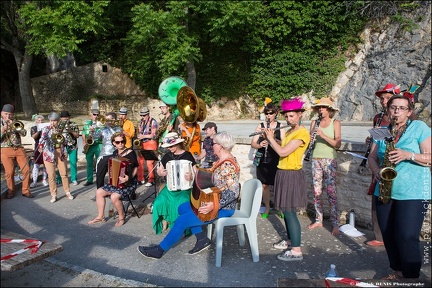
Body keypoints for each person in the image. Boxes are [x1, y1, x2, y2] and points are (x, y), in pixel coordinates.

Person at [137, 131, 240, 259]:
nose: (212, 146)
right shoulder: (220, 161)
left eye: (213, 144)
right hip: (213, 202)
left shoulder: (228, 165)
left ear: (221, 146)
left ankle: (159, 250)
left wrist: (213, 205)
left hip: (223, 208)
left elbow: (233, 193)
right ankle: (202, 239)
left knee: (182, 220)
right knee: (182, 208)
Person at [368, 93, 430, 279]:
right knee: (388, 235)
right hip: (385, 189)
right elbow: (371, 157)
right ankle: (398, 271)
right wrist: (377, 170)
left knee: (406, 235)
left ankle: (411, 277)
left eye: (402, 108)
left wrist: (408, 155)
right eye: (393, 107)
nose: (397, 111)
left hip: (413, 191)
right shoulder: (381, 130)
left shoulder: (419, 127)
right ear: (388, 109)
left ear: (409, 111)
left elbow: (430, 157)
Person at [365, 83, 417, 247]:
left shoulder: (412, 121)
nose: (384, 102)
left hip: (404, 175)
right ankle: (380, 235)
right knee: (378, 199)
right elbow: (375, 147)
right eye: (382, 99)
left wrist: (407, 154)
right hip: (382, 166)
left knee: (403, 228)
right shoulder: (379, 118)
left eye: (387, 98)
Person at [264, 97, 310, 261]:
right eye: (287, 116)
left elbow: (283, 153)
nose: (289, 119)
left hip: (292, 173)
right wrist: (271, 137)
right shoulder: (291, 131)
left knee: (290, 212)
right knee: (285, 210)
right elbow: (283, 147)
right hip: (283, 171)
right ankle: (291, 241)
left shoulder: (302, 132)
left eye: (292, 116)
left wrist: (270, 139)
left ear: (299, 115)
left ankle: (296, 251)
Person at [88, 132, 139, 227]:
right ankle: (100, 216)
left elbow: (136, 168)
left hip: (129, 182)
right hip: (116, 182)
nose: (121, 144)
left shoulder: (130, 153)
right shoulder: (115, 153)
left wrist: (129, 178)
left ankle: (121, 217)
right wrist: (112, 176)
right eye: (118, 142)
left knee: (114, 197)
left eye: (122, 141)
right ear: (114, 143)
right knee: (99, 192)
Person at [306, 97, 341, 236]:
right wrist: (311, 137)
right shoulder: (314, 122)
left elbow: (337, 144)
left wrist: (323, 135)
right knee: (316, 191)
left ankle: (335, 223)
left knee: (331, 192)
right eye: (319, 107)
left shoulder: (335, 122)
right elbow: (310, 143)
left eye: (324, 107)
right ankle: (318, 219)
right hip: (316, 159)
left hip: (330, 159)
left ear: (330, 110)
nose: (321, 109)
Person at [151, 132, 196, 234]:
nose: (169, 148)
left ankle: (181, 226)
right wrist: (161, 172)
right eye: (168, 146)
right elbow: (159, 169)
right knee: (158, 202)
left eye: (171, 146)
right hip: (170, 187)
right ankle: (165, 219)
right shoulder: (167, 156)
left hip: (185, 189)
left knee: (182, 202)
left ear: (178, 144)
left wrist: (191, 176)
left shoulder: (187, 155)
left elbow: (195, 172)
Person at [251, 103, 286, 218]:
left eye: (271, 113)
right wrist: (260, 144)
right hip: (262, 158)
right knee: (264, 185)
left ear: (275, 114)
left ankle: (279, 207)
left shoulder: (280, 126)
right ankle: (267, 206)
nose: (268, 115)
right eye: (266, 113)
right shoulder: (260, 126)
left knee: (278, 184)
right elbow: (253, 144)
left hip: (275, 158)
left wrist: (272, 138)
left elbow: (284, 144)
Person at [39, 112, 74, 203]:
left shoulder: (63, 129)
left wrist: (61, 133)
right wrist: (41, 144)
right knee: (51, 175)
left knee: (64, 174)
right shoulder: (46, 129)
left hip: (60, 152)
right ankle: (53, 194)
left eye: (54, 121)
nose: (52, 123)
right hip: (48, 153)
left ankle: (67, 192)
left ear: (58, 121)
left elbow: (67, 141)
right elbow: (42, 139)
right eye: (51, 121)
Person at [1, 104, 33, 199]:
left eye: (10, 114)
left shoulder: (16, 122)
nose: (8, 116)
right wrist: (2, 131)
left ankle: (26, 190)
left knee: (26, 169)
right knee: (9, 172)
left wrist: (17, 128)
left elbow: (24, 133)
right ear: (2, 113)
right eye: (6, 114)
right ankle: (11, 191)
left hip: (19, 148)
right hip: (5, 149)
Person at [93, 112, 123, 189]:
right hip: (104, 154)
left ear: (114, 119)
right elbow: (95, 137)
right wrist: (93, 129)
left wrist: (109, 127)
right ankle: (100, 191)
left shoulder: (118, 128)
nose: (106, 121)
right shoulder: (103, 129)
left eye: (109, 119)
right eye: (106, 119)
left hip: (115, 155)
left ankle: (115, 191)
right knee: (99, 175)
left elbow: (116, 136)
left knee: (114, 176)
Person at [136, 107, 158, 187]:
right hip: (143, 143)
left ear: (148, 114)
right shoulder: (142, 121)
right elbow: (140, 131)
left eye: (144, 115)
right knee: (140, 161)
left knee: (149, 162)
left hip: (150, 143)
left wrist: (143, 136)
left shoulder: (153, 121)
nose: (142, 117)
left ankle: (151, 180)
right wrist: (139, 136)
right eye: (141, 115)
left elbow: (154, 135)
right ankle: (140, 178)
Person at [58, 111, 80, 185]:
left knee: (73, 162)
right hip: (62, 146)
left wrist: (70, 131)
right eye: (64, 117)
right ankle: (59, 178)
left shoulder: (73, 124)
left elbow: (77, 135)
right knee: (61, 163)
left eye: (67, 117)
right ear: (61, 118)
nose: (66, 118)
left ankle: (74, 178)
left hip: (72, 146)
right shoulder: (58, 124)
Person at [81, 109, 102, 186]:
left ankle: (99, 179)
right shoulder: (87, 123)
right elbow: (83, 133)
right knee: (89, 163)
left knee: (99, 163)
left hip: (98, 144)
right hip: (89, 145)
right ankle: (89, 180)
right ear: (91, 114)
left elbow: (102, 135)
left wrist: (95, 131)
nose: (96, 116)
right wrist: (84, 141)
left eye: (97, 115)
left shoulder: (101, 123)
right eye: (94, 114)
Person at [30, 114, 48, 188]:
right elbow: (34, 136)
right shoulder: (34, 128)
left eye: (42, 120)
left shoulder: (46, 127)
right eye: (39, 120)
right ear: (36, 121)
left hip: (46, 146)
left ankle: (44, 180)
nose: (40, 122)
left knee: (45, 164)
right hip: (37, 145)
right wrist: (39, 130)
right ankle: (34, 181)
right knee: (36, 164)